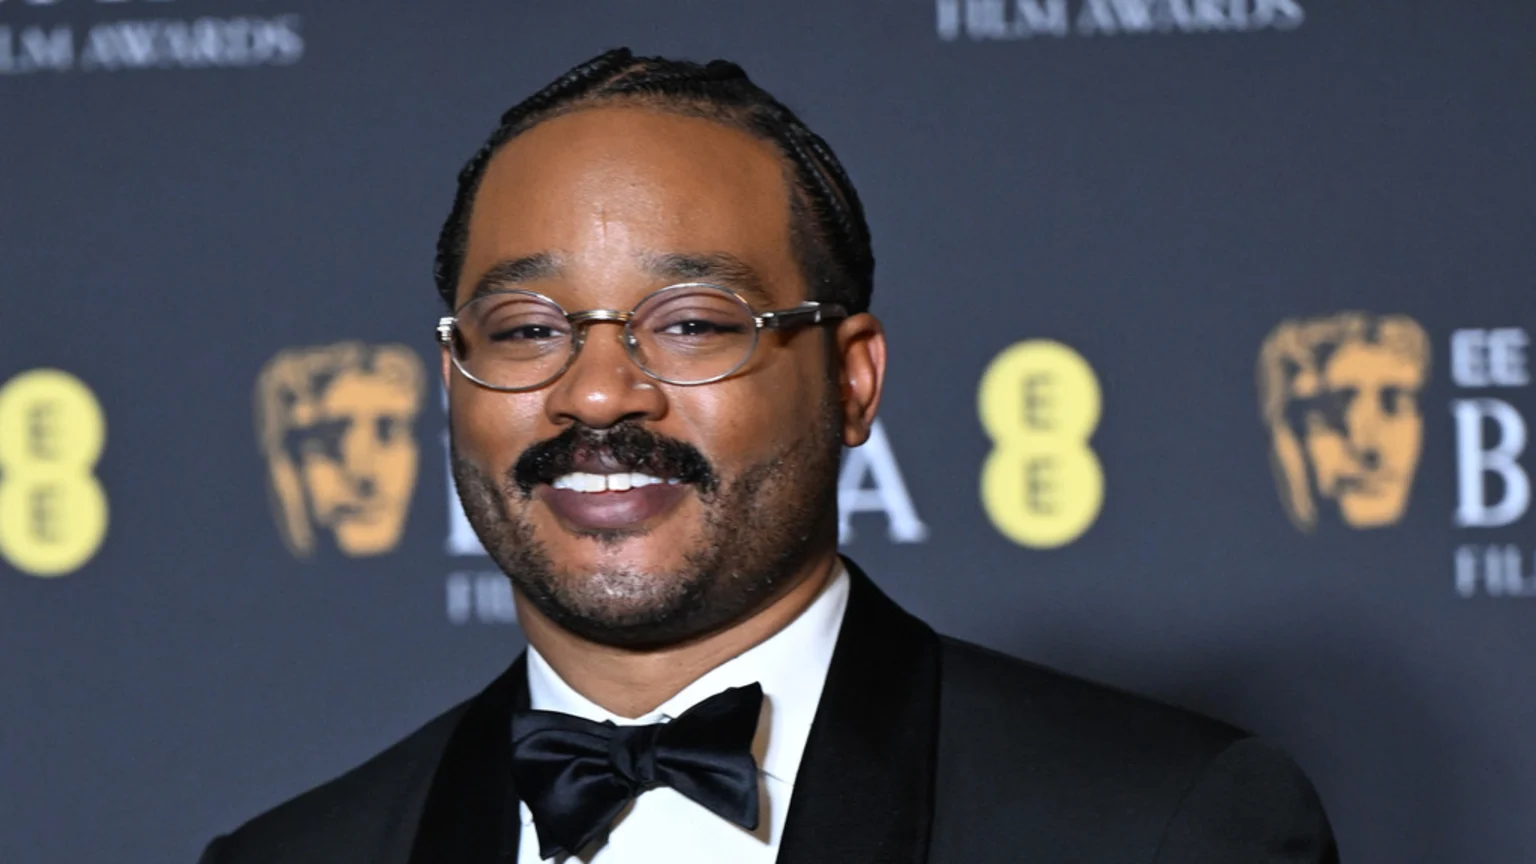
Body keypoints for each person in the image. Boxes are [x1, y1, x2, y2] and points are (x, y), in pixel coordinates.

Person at [199, 48, 1339, 863]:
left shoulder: (1164, 827)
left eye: (692, 323)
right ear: (454, 380)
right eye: (529, 330)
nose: (598, 390)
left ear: (851, 379)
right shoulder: (297, 853)